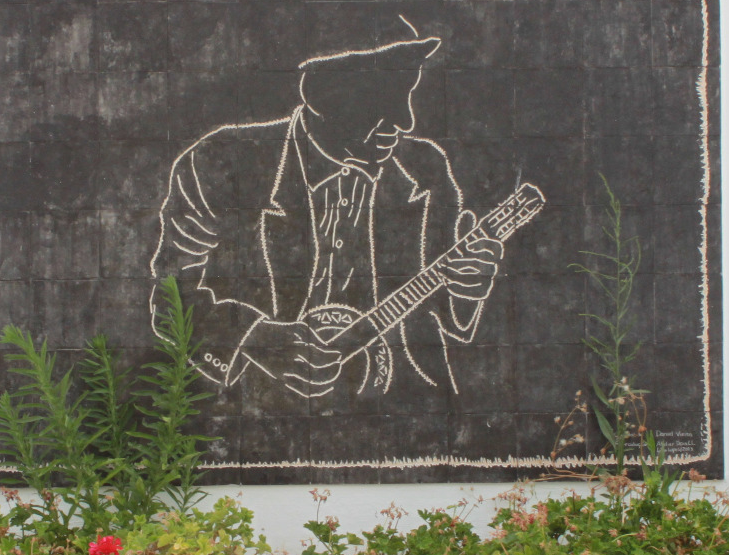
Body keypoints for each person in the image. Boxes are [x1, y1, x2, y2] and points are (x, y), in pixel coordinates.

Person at [149, 33, 503, 399]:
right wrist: (257, 338)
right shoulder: (221, 161)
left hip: (405, 401)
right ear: (324, 99)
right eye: (382, 99)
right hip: (269, 404)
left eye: (407, 93)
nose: (405, 120)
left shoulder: (425, 168)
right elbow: (169, 297)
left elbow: (445, 314)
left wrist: (466, 288)